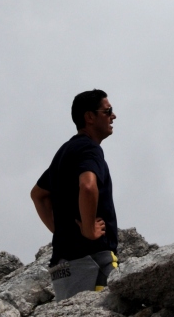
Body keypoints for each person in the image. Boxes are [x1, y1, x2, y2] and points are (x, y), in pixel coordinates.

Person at [30, 89, 119, 300]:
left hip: (64, 267)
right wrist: (88, 230)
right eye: (108, 111)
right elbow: (88, 186)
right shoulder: (90, 149)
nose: (113, 116)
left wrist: (62, 232)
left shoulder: (65, 151)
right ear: (90, 117)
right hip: (92, 261)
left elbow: (38, 195)